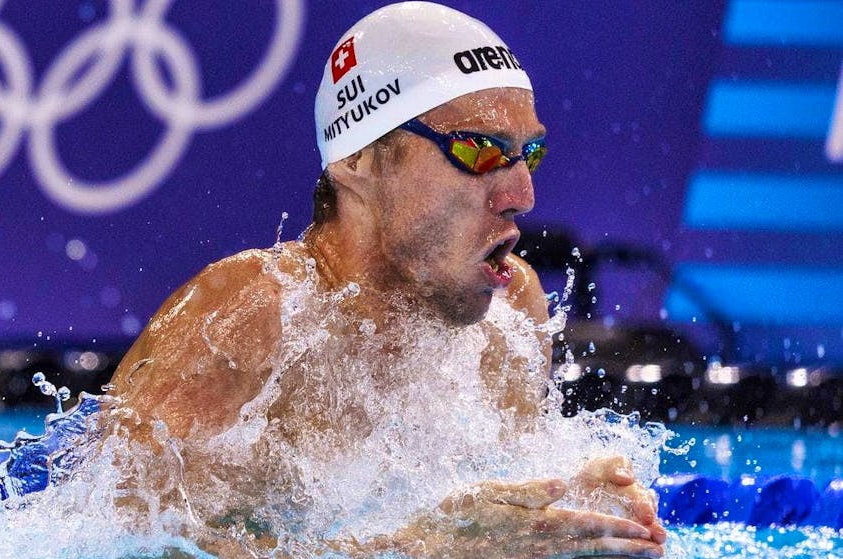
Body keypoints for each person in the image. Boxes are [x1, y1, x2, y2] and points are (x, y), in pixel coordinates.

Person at [107, 2, 667, 557]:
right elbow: (115, 544)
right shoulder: (247, 319)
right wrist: (416, 550)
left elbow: (486, 526)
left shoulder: (511, 310)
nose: (522, 196)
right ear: (360, 161)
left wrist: (564, 516)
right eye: (478, 150)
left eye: (530, 154)